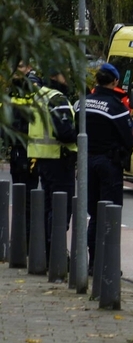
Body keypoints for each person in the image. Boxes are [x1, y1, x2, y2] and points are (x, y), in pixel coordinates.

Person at [78, 63, 133, 271]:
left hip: (86, 162)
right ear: (115, 81)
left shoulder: (82, 103)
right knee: (110, 214)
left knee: (94, 214)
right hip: (109, 164)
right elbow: (128, 140)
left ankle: (93, 262)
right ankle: (108, 263)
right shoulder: (116, 107)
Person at [28, 68, 77, 260]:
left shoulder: (39, 96)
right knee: (60, 211)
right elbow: (64, 133)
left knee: (49, 207)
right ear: (54, 75)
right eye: (65, 74)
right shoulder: (57, 99)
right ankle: (56, 256)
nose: (67, 78)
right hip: (59, 159)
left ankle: (48, 252)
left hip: (43, 159)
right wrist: (80, 133)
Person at [5, 63, 39, 190]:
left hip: (28, 149)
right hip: (16, 148)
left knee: (28, 194)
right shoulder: (13, 89)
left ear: (29, 68)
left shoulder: (32, 88)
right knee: (18, 191)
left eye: (19, 67)